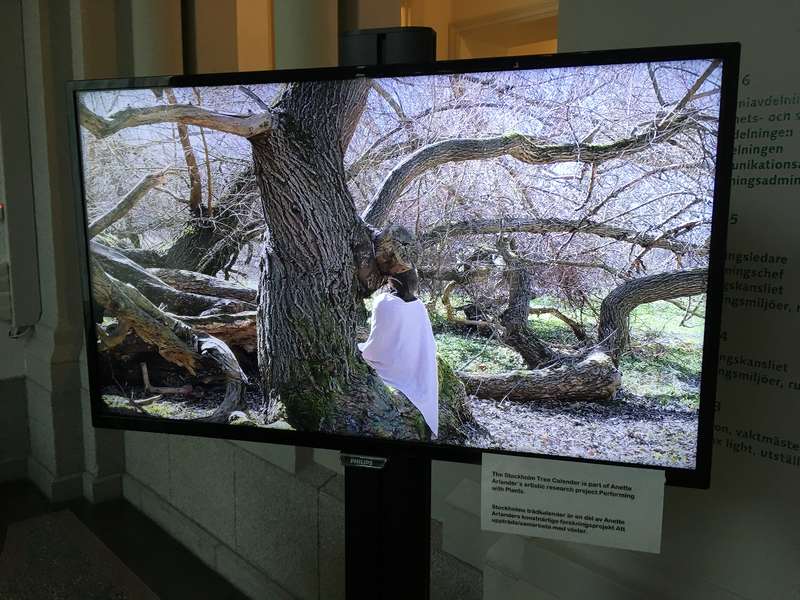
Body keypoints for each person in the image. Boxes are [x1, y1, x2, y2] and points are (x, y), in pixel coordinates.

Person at [358, 268, 439, 439]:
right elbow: (426, 343)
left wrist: (364, 350)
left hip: (390, 367)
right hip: (415, 367)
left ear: (392, 280)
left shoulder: (384, 301)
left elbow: (378, 343)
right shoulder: (419, 305)